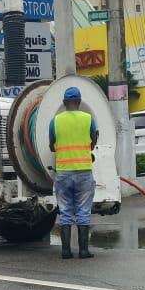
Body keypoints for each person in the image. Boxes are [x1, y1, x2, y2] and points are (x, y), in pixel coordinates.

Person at [49, 86, 100, 259]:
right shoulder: (88, 119)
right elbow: (94, 139)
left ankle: (65, 251)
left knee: (65, 211)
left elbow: (51, 145)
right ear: (79, 102)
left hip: (63, 172)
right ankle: (84, 251)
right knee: (83, 211)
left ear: (64, 103)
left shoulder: (55, 121)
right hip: (84, 171)